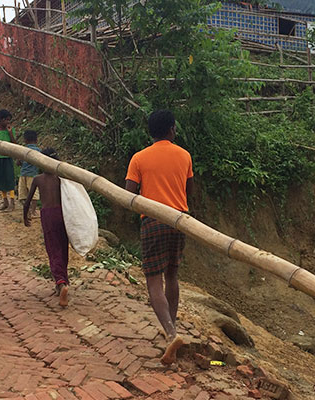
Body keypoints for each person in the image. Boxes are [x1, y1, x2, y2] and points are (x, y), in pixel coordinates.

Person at [125, 110, 194, 365]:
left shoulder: (139, 158)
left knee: (153, 280)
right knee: (172, 275)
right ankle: (171, 327)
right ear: (172, 130)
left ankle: (171, 332)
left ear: (150, 132)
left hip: (152, 222)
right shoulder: (184, 155)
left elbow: (129, 194)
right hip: (178, 220)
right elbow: (189, 191)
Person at [23, 148, 70, 307]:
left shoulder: (37, 179)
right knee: (63, 247)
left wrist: (25, 216)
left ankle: (61, 282)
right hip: (62, 214)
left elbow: (28, 201)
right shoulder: (61, 178)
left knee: (53, 248)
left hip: (47, 215)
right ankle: (64, 279)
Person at [0, 109, 17, 211]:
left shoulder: (10, 130)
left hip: (7, 158)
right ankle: (5, 201)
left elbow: (14, 144)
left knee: (9, 179)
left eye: (9, 120)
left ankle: (12, 202)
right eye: (6, 120)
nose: (8, 122)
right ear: (0, 120)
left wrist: (10, 133)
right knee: (0, 180)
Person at [18, 130, 41, 220]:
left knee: (23, 194)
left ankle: (27, 210)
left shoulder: (23, 150)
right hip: (33, 175)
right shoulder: (38, 151)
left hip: (23, 174)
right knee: (34, 194)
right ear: (36, 140)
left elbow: (18, 162)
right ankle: (33, 211)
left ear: (25, 140)